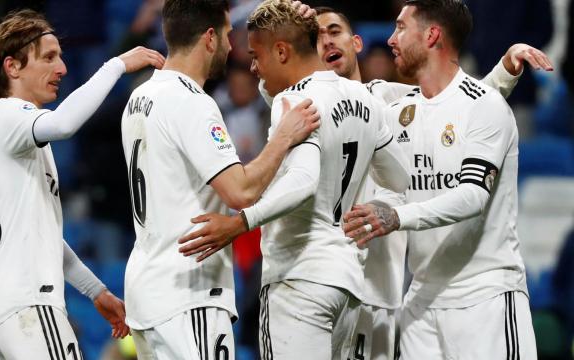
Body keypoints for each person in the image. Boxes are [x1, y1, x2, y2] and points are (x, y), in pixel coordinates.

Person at [314, 6, 552, 360]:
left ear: (431, 35)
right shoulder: (399, 113)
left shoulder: (485, 105)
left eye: (400, 28)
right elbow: (396, 186)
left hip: (484, 299)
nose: (391, 40)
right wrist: (380, 209)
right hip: (420, 308)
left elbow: (472, 196)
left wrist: (396, 217)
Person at [177, 0, 411, 358]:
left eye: (257, 55)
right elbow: (398, 177)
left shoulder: (295, 101)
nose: (253, 67)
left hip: (298, 278)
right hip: (347, 283)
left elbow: (303, 181)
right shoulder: (364, 100)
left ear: (282, 51)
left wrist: (239, 223)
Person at [119, 0, 320, 358]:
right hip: (188, 292)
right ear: (209, 38)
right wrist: (283, 138)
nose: (232, 46)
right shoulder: (191, 102)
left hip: (147, 289)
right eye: (228, 35)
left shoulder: (140, 96)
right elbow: (240, 191)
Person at [0, 9, 165, 359]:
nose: (61, 68)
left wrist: (95, 291)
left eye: (61, 58)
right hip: (29, 304)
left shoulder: (14, 134)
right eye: (48, 58)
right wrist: (117, 65)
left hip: (2, 311)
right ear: (12, 67)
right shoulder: (10, 115)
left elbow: (43, 233)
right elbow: (64, 124)